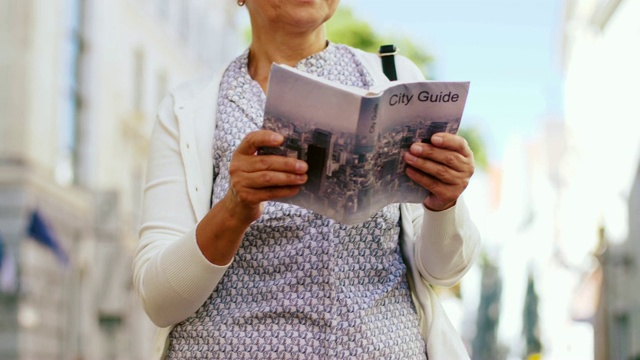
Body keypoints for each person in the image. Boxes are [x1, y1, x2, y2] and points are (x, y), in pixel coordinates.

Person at [133, 0, 481, 359]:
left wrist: (445, 202)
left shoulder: (396, 82)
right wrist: (232, 211)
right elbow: (160, 301)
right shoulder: (189, 110)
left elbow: (444, 270)